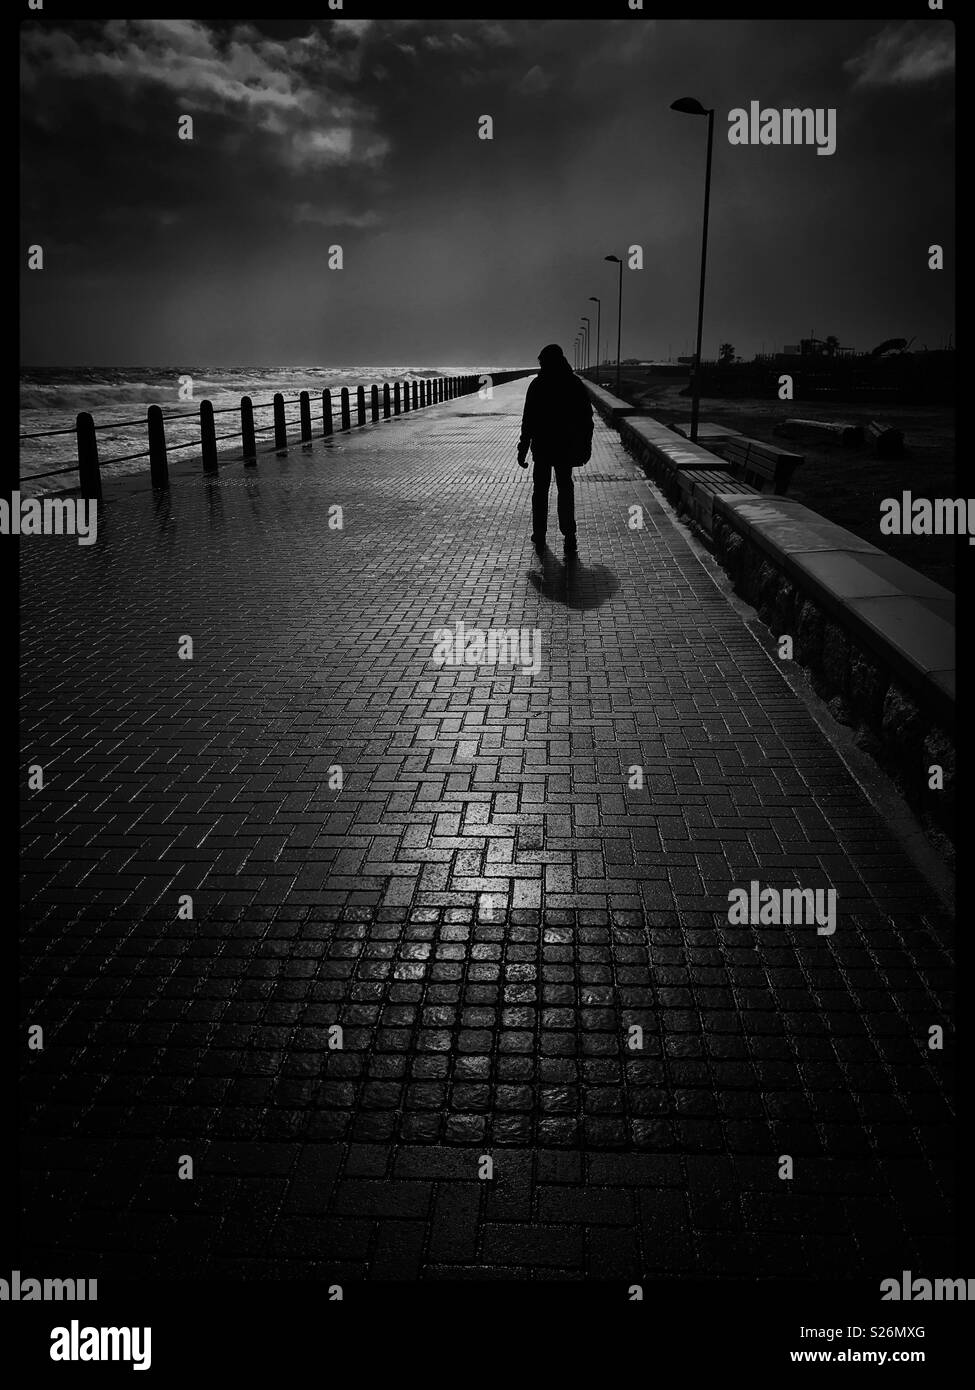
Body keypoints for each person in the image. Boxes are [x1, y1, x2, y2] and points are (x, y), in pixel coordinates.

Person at [517, 343, 594, 557]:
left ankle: (539, 533)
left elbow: (528, 421)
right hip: (564, 447)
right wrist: (585, 445)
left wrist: (523, 448)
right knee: (565, 489)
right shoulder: (573, 384)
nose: (540, 365)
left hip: (542, 447)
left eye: (542, 362)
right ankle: (569, 535)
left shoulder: (538, 385)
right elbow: (586, 419)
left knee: (540, 491)